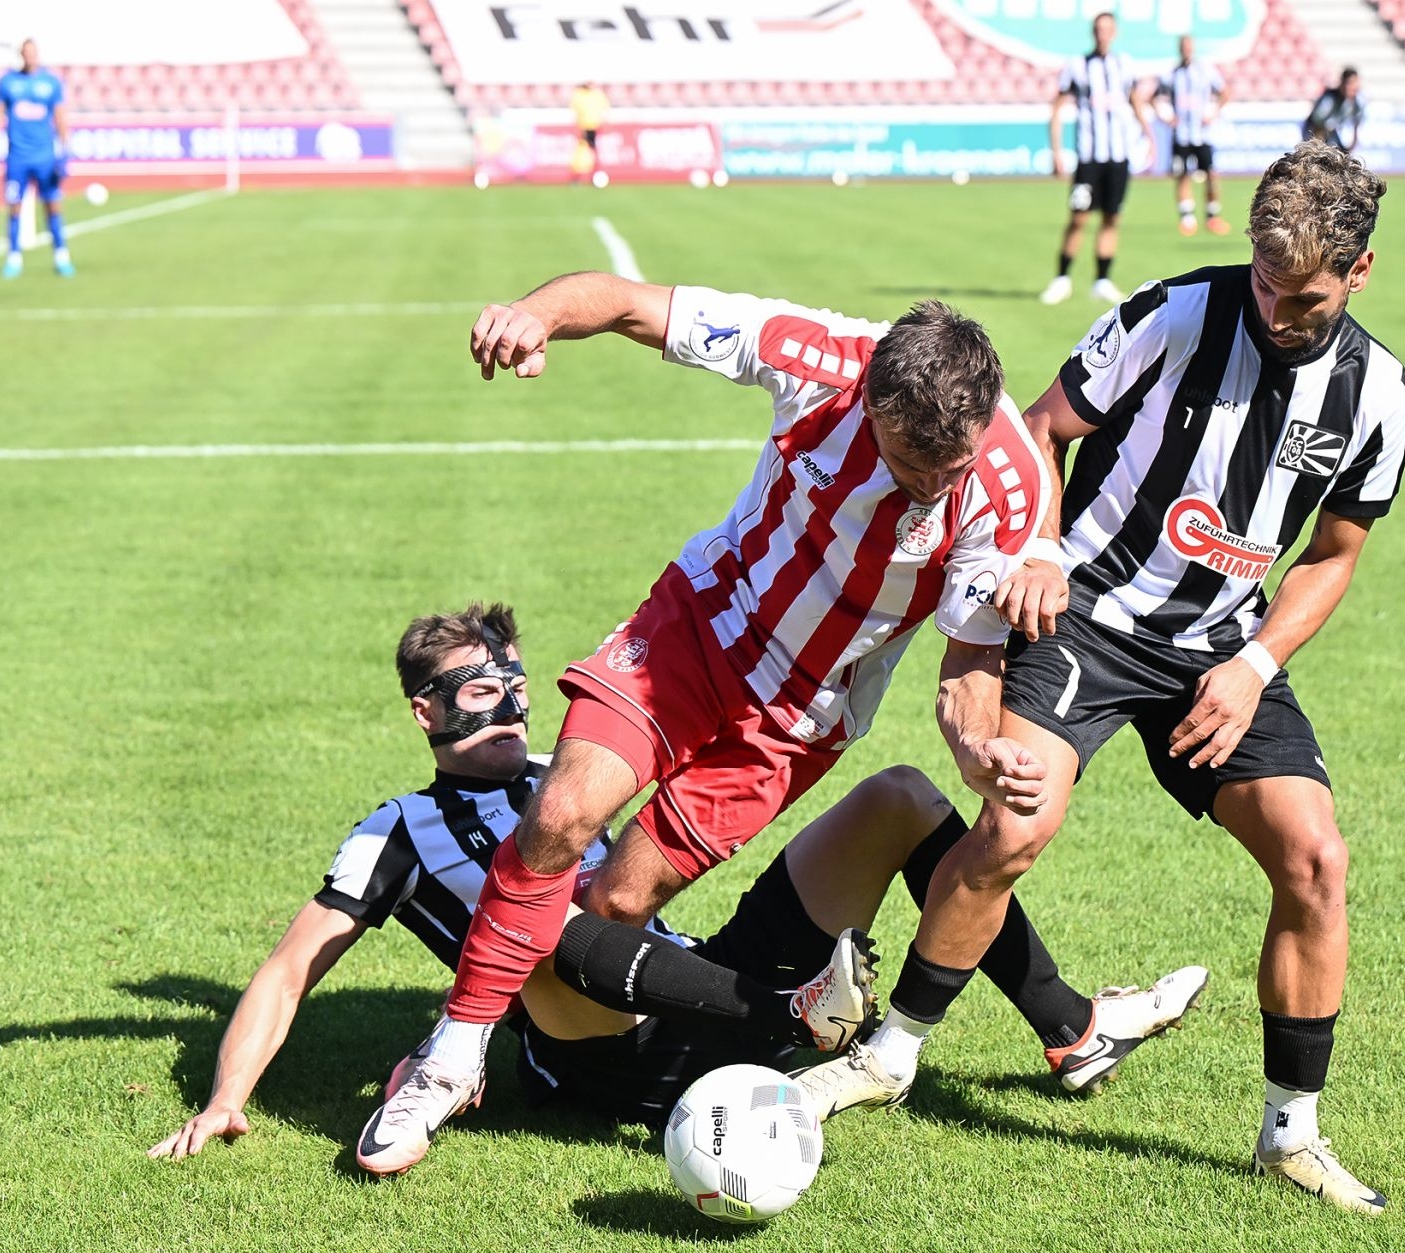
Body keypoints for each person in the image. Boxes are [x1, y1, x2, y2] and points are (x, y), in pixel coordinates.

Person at [799, 141, 1405, 1218]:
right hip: (1087, 613)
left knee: (1316, 859)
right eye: (1264, 283)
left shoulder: (1380, 397)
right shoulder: (1174, 315)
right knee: (1017, 819)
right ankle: (890, 1055)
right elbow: (1040, 430)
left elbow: (1332, 555)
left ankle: (1290, 1134)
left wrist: (1254, 663)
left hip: (1221, 650)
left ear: (1359, 272)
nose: (1274, 311)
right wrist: (1040, 548)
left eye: (1304, 298)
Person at [354, 273, 1065, 1175]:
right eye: (906, 461)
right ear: (869, 401)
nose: (930, 486)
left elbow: (967, 671)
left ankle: (554, 1032)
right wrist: (536, 316)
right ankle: (451, 1060)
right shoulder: (817, 356)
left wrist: (981, 751)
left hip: (799, 719)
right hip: (698, 626)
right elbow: (628, 303)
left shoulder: (1005, 486)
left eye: (947, 468)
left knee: (614, 908)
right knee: (561, 813)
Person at [151, 601, 1199, 1159]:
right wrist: (226, 1099)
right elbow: (288, 969)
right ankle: (802, 1014)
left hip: (693, 984)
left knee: (899, 797)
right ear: (424, 710)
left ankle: (1070, 1028)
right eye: (476, 688)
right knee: (540, 914)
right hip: (592, 1052)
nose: (508, 701)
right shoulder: (396, 831)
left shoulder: (562, 775)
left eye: (515, 680)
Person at [1042, 12, 1157, 306]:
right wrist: (1056, 151)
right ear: (1093, 33)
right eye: (1098, 29)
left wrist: (1150, 138)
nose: (1102, 34)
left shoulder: (1125, 65)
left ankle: (1102, 280)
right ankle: (1062, 278)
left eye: (1107, 29)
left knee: (1112, 217)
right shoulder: (1077, 67)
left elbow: (1135, 101)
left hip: (1118, 157)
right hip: (1089, 159)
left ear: (1114, 33)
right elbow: (1057, 109)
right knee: (1078, 217)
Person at [0, 39, 72, 279]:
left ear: (38, 54)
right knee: (14, 207)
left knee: (52, 205)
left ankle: (61, 256)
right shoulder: (7, 82)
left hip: (45, 157)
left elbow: (60, 117)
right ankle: (14, 257)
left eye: (33, 52)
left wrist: (65, 152)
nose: (30, 56)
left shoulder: (51, 82)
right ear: (21, 55)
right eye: (26, 52)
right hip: (17, 158)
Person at [1158, 35, 1231, 236]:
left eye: (1189, 46)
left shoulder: (1206, 72)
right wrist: (1166, 116)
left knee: (1211, 174)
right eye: (1183, 46)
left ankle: (1212, 216)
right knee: (1182, 175)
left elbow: (1224, 93)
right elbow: (1155, 97)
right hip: (1181, 135)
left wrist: (1213, 113)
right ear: (1179, 48)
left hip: (1202, 135)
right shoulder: (1172, 74)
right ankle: (1187, 218)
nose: (1186, 50)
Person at [1303, 68, 1364, 154]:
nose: (1349, 87)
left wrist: (1351, 147)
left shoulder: (1357, 102)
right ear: (1341, 83)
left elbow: (1357, 124)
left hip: (1332, 131)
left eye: (1353, 83)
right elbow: (1316, 120)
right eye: (1347, 83)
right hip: (1315, 131)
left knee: (1343, 154)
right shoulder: (1329, 98)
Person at [570, 81, 609, 184]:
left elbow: (604, 110)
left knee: (594, 153)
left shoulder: (598, 94)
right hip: (583, 127)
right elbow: (575, 112)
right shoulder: (578, 94)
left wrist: (602, 123)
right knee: (581, 153)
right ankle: (576, 177)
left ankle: (595, 176)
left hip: (595, 127)